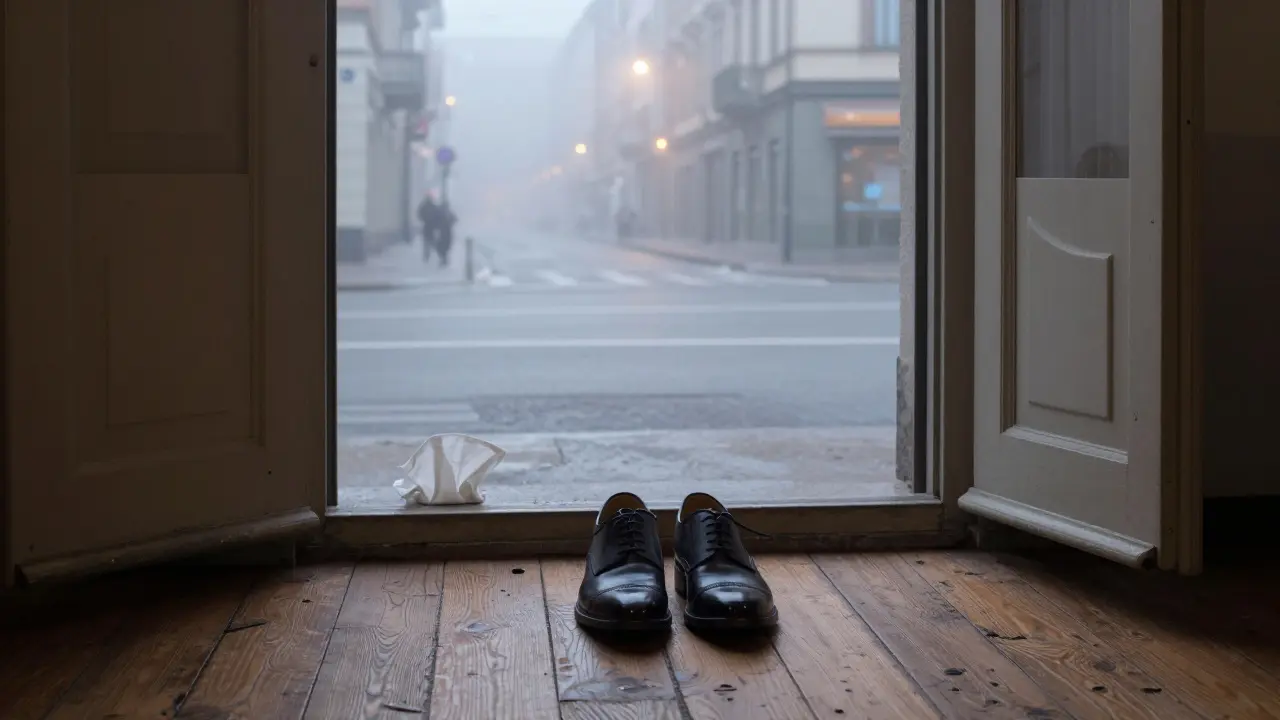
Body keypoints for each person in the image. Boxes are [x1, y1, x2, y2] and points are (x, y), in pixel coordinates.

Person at [416, 194, 440, 263]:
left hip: (427, 226)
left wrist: (424, 219)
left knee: (426, 242)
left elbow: (419, 214)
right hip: (432, 226)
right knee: (432, 241)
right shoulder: (433, 207)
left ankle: (427, 255)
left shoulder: (424, 206)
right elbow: (438, 215)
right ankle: (436, 253)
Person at [435, 200, 458, 267]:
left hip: (445, 232)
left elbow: (455, 219)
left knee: (444, 246)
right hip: (444, 232)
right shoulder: (441, 213)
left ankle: (444, 259)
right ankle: (444, 259)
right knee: (443, 246)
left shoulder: (447, 213)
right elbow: (455, 219)